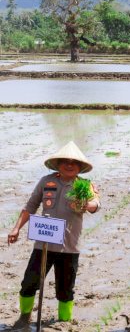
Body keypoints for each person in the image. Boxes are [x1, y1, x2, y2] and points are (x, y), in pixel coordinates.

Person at [7, 141, 100, 328]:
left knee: (65, 289)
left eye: (74, 162)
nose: (69, 164)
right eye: (65, 161)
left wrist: (86, 205)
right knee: (29, 283)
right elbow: (31, 205)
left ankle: (64, 321)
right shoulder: (46, 181)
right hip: (43, 244)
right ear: (57, 164)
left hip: (69, 247)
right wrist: (16, 228)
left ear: (80, 167)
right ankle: (24, 317)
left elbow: (95, 205)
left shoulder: (85, 185)